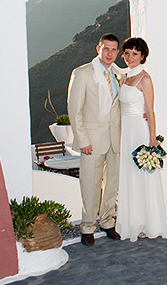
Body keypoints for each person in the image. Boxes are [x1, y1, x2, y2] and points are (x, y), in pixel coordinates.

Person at [67, 33, 123, 246]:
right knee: (90, 184)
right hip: (91, 140)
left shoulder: (119, 73)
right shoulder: (82, 73)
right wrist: (82, 140)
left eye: (114, 49)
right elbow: (75, 110)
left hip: (114, 138)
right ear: (98, 48)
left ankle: (108, 221)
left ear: (117, 52)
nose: (109, 53)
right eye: (106, 48)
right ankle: (88, 226)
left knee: (111, 184)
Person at [116, 37, 167, 241]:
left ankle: (147, 223)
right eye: (127, 53)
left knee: (141, 176)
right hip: (125, 131)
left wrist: (152, 139)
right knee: (129, 175)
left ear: (143, 57)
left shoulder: (145, 79)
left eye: (135, 54)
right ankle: (133, 222)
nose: (130, 57)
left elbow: (150, 111)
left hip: (139, 131)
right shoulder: (126, 76)